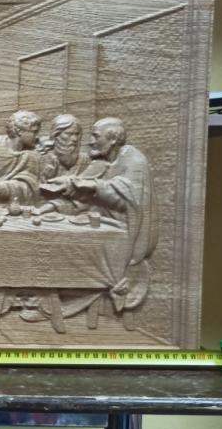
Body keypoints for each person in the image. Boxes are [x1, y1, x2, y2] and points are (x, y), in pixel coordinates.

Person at [42, 117, 158, 310]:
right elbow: (82, 199)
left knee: (74, 251)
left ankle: (58, 305)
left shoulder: (133, 159)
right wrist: (53, 205)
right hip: (98, 229)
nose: (90, 142)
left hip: (121, 237)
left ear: (113, 139)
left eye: (96, 136)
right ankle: (48, 301)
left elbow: (129, 199)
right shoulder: (100, 164)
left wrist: (91, 185)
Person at [35, 113, 92, 215]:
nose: (74, 139)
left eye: (77, 134)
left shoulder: (85, 160)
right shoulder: (43, 158)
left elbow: (88, 195)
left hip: (77, 213)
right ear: (56, 135)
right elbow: (36, 194)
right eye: (69, 134)